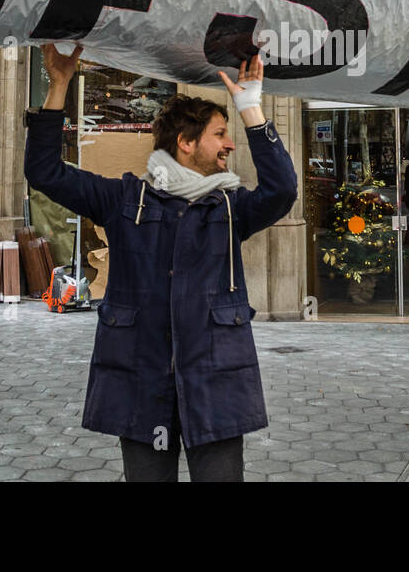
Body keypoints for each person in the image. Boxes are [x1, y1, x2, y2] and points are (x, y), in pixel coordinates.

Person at [24, 45, 296, 482]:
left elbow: (282, 190)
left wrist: (250, 107)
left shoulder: (230, 209)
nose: (229, 145)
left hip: (215, 381)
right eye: (219, 134)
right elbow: (44, 172)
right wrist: (58, 85)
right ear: (186, 144)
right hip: (141, 383)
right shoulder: (122, 200)